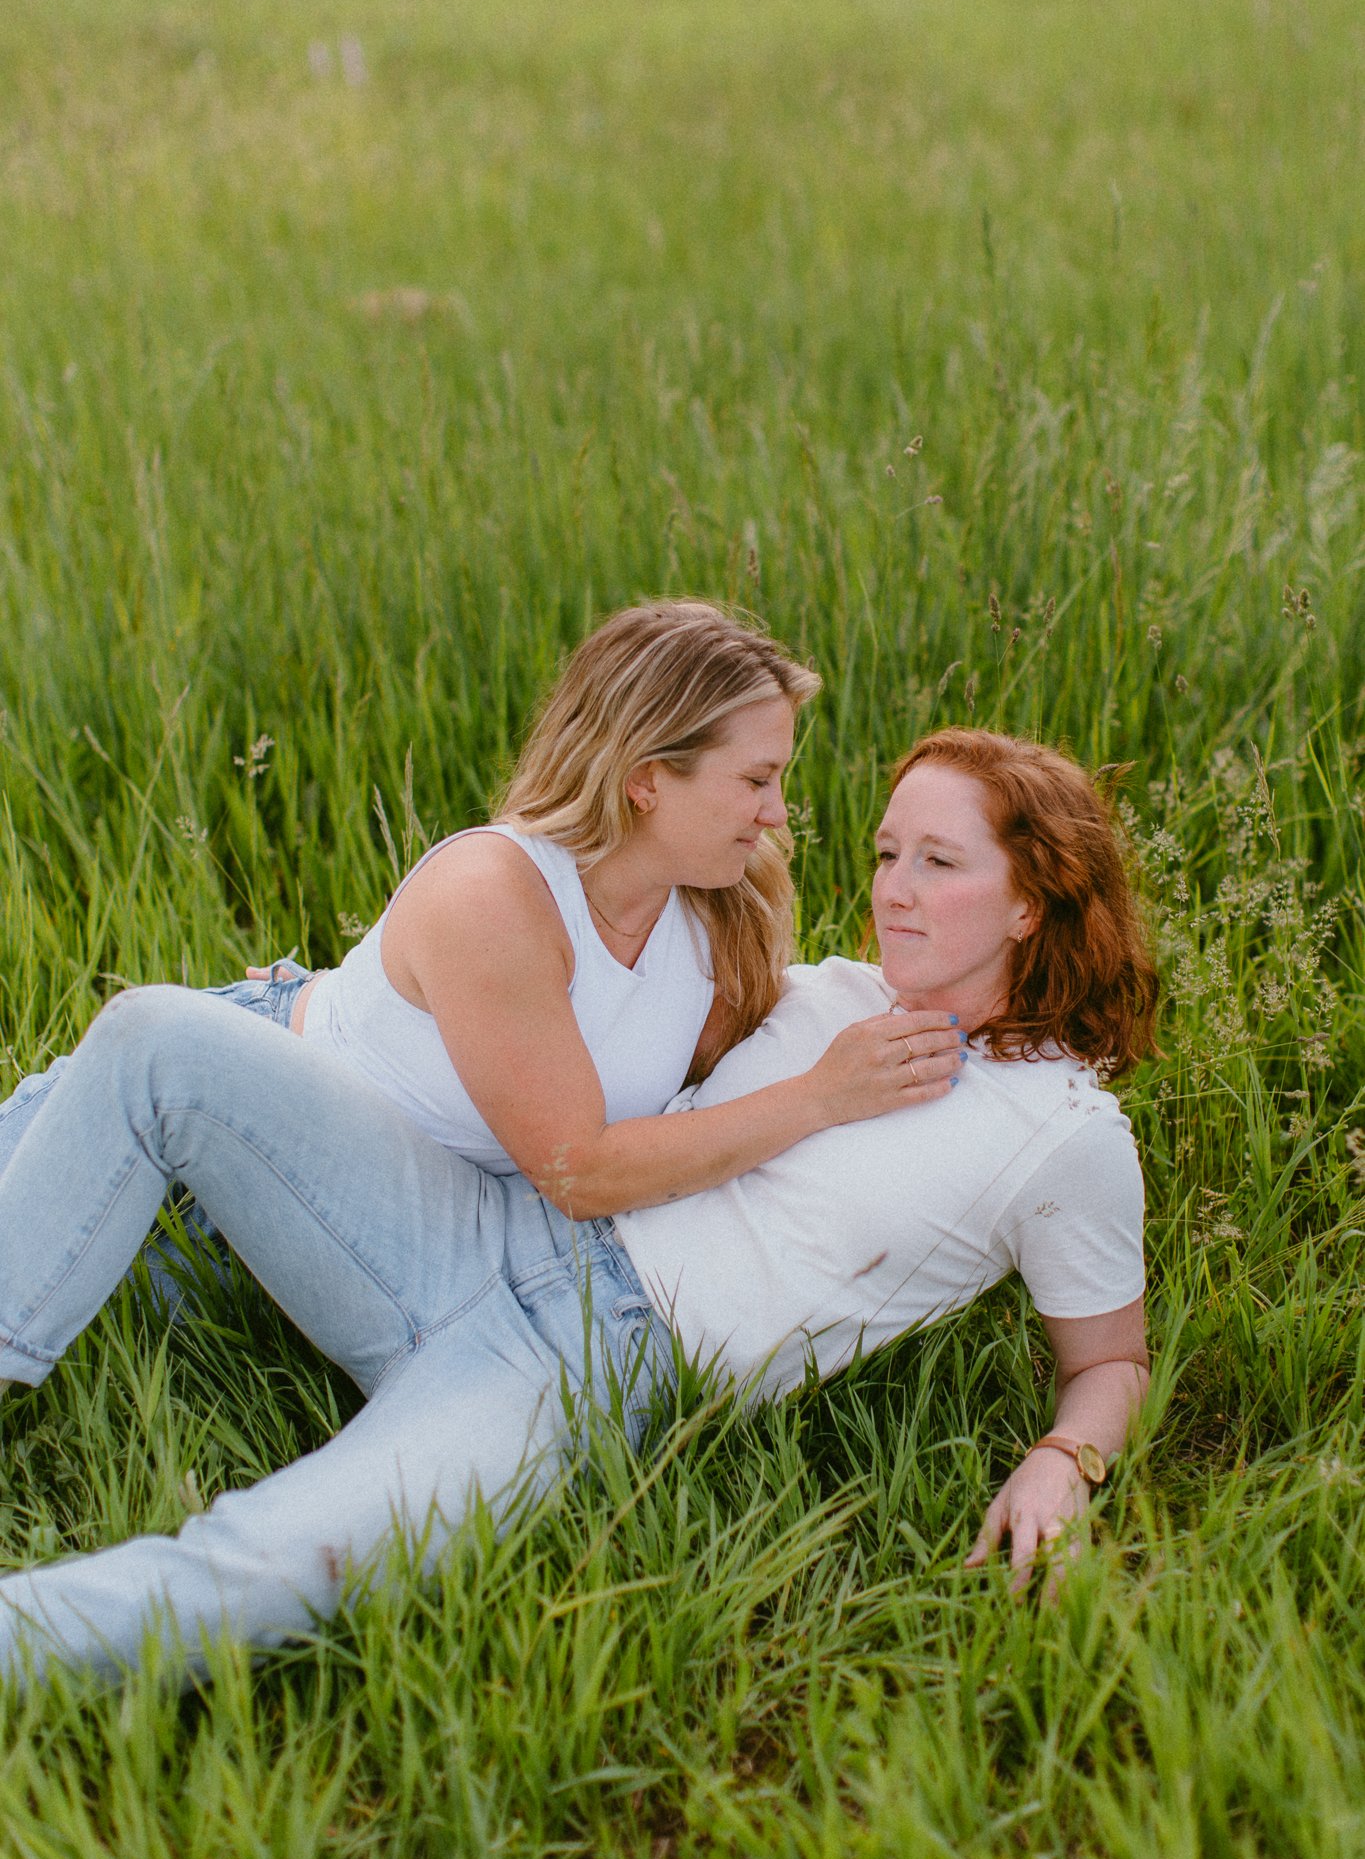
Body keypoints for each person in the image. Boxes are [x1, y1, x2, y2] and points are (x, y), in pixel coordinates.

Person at [0, 727, 1159, 1685]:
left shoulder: (1065, 1133)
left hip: (590, 1369)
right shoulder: (824, 999)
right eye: (886, 850)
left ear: (1030, 901)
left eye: (938, 864)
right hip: (489, 1219)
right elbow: (593, 1058)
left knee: (275, 1561)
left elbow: (1112, 1358)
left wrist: (1067, 1456)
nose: (893, 890)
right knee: (162, 1035)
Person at [0, 600, 962, 1244]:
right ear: (643, 781)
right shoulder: (496, 895)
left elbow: (700, 1114)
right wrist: (823, 1096)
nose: (777, 813)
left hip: (340, 1224)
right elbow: (577, 1171)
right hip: (187, 1154)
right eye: (755, 780)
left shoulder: (724, 916)